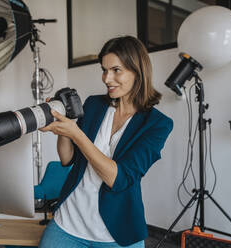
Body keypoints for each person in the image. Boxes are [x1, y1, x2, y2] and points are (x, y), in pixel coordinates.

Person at [39, 36, 173, 248]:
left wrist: (77, 134)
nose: (107, 78)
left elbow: (118, 179)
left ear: (137, 71)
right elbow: (67, 159)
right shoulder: (94, 104)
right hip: (69, 222)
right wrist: (64, 125)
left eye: (116, 70)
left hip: (116, 231)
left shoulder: (158, 125)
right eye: (104, 69)